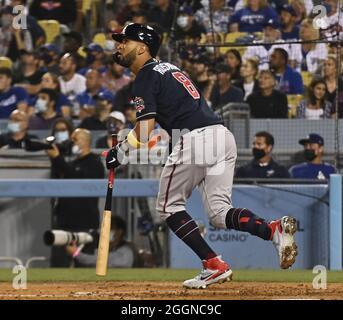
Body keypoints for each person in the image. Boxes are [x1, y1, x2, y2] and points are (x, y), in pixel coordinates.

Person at [107, 23, 298, 289]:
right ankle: (272, 230)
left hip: (196, 138)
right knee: (220, 214)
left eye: (124, 41)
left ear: (142, 47)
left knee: (167, 207)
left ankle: (213, 264)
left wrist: (120, 151)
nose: (119, 45)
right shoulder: (171, 69)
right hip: (221, 136)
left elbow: (145, 129)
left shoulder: (146, 75)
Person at [46, 128, 105, 267]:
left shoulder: (95, 163)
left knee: (84, 264)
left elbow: (79, 181)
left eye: (75, 140)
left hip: (84, 223)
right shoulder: (72, 163)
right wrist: (55, 158)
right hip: (64, 222)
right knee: (58, 264)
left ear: (85, 142)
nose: (71, 143)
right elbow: (59, 177)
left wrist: (57, 158)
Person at [66, 215, 137, 268]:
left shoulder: (125, 252)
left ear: (120, 231)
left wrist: (76, 254)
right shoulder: (104, 249)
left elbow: (97, 261)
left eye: (110, 228)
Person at [58, 53, 86, 117]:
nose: (60, 66)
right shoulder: (57, 81)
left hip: (78, 116)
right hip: (62, 117)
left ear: (73, 66)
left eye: (64, 63)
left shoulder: (81, 81)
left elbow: (84, 102)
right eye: (60, 63)